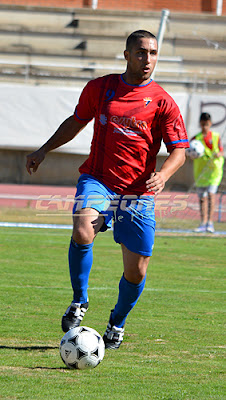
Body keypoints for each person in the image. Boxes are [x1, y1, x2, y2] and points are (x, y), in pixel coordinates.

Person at [26, 30, 188, 349]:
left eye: (153, 53)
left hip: (138, 194)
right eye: (141, 52)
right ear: (126, 54)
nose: (148, 59)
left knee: (137, 272)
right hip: (99, 179)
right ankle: (79, 301)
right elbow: (76, 121)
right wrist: (43, 149)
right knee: (84, 229)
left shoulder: (162, 102)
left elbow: (179, 150)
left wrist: (165, 174)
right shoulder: (101, 88)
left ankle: (117, 322)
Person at [192, 112, 224, 233]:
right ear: (200, 124)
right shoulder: (196, 138)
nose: (205, 126)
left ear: (210, 124)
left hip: (214, 172)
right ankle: (203, 223)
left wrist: (218, 154)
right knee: (202, 198)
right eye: (203, 124)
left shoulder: (216, 136)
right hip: (200, 172)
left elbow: (221, 151)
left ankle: (210, 223)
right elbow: (189, 152)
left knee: (211, 195)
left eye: (207, 124)